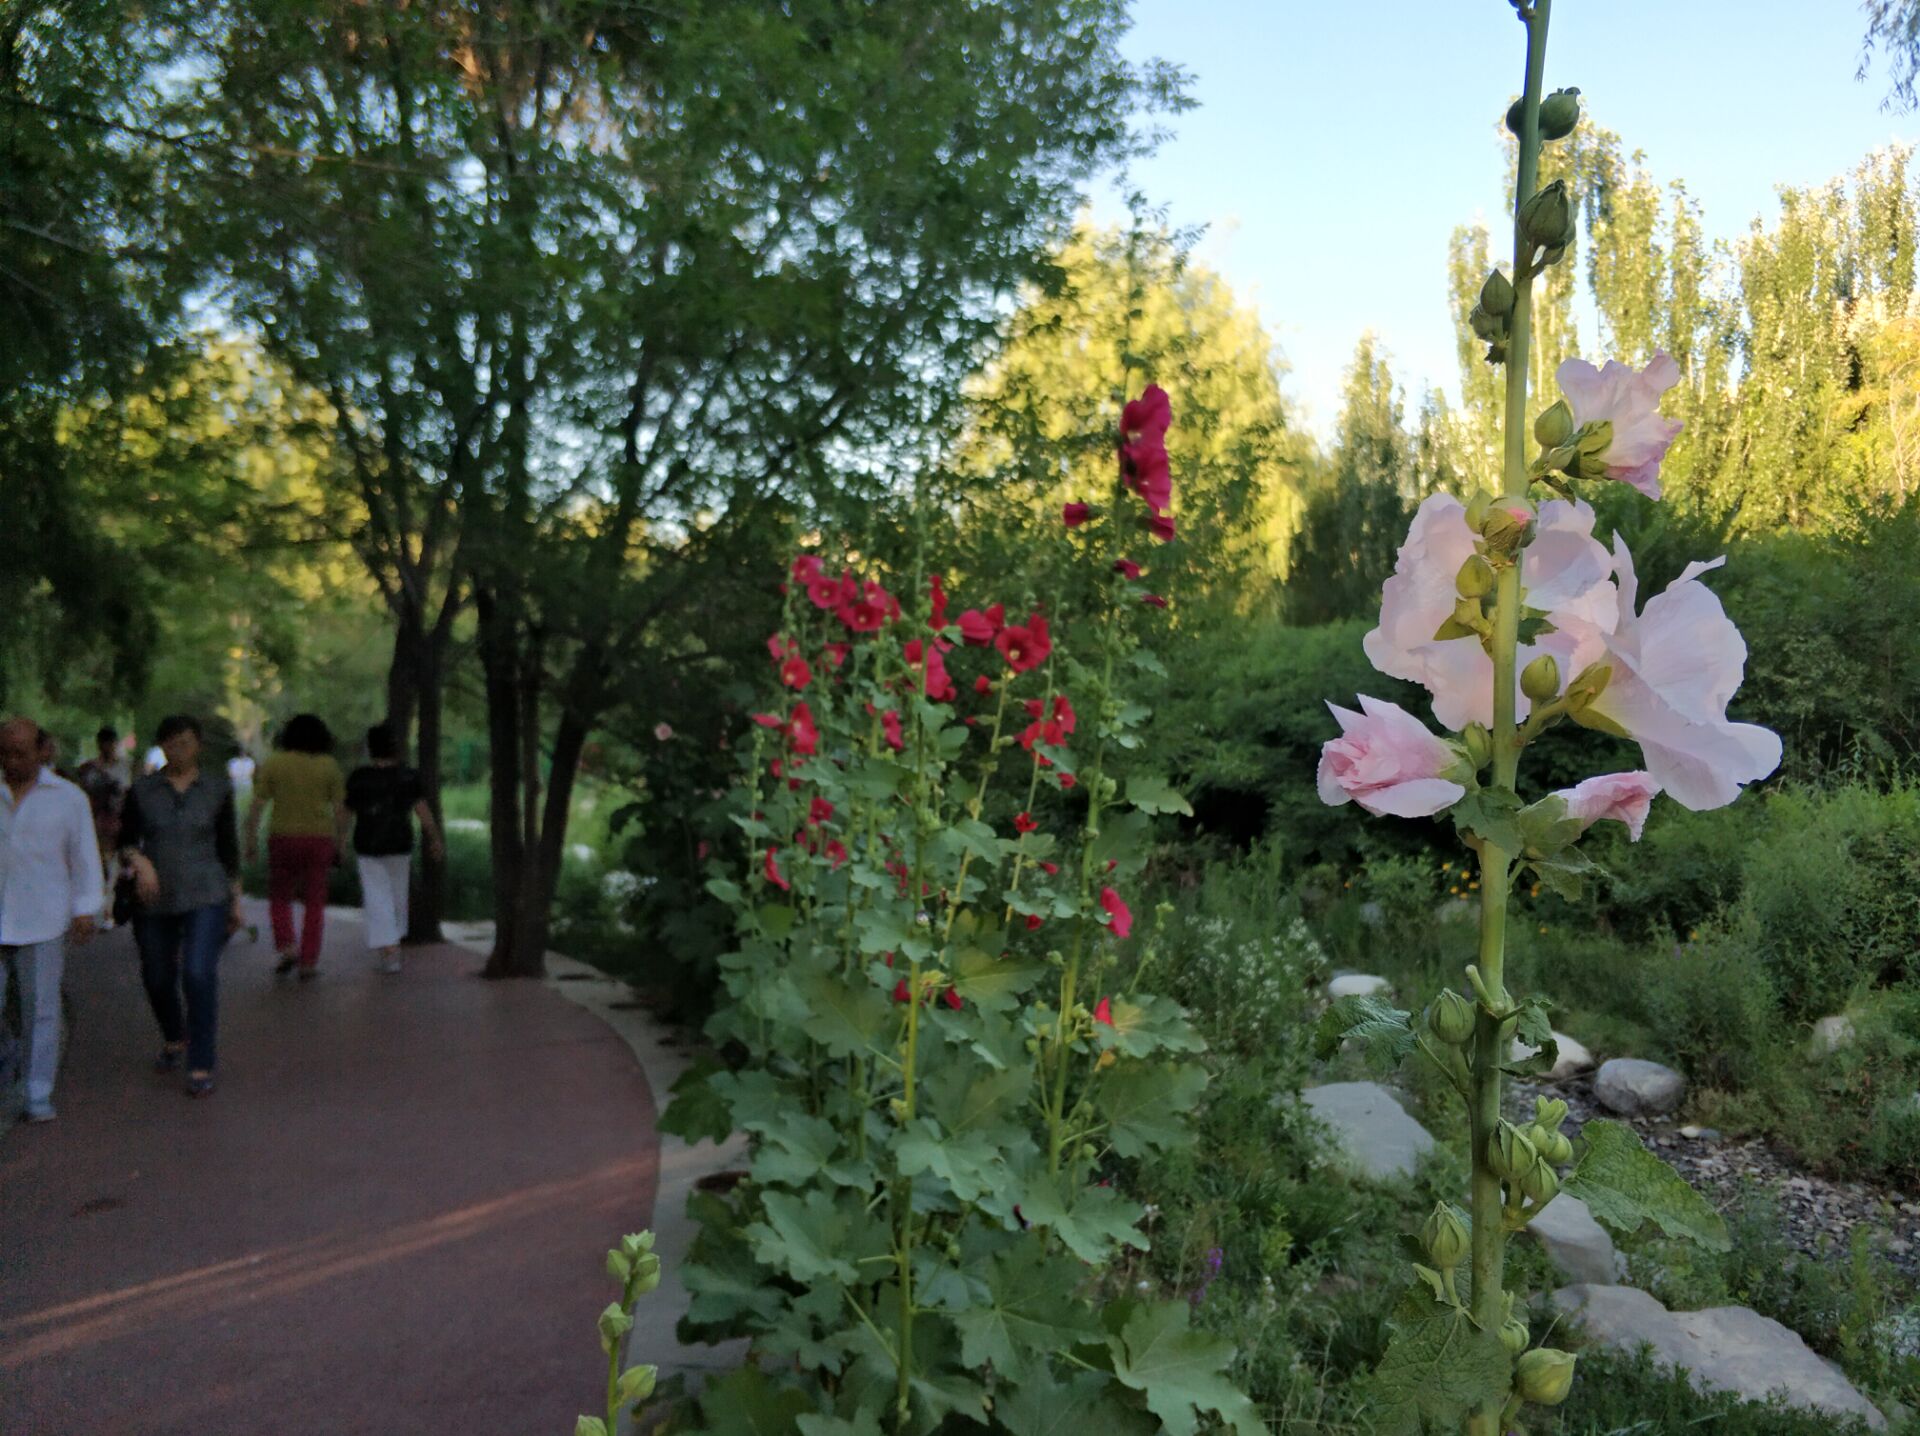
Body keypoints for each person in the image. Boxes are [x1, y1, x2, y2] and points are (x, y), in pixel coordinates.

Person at [120, 715, 244, 1098]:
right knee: (157, 976)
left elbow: (228, 850)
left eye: (187, 743)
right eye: (172, 744)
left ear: (199, 745)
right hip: (154, 898)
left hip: (206, 893)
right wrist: (139, 863)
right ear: (162, 747)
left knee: (197, 973)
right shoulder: (142, 791)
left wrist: (236, 902)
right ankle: (175, 1036)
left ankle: (201, 1060)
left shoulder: (217, 790)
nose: (180, 751)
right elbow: (125, 842)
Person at [0, 718, 104, 1123]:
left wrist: (86, 907)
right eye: (5, 753)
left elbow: (84, 857)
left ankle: (36, 1093)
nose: (12, 760)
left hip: (44, 917)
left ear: (42, 750)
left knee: (40, 1008)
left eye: (20, 753)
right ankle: (10, 1060)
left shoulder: (68, 798)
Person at [245, 714, 345, 979]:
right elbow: (339, 810)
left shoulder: (275, 764)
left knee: (279, 895)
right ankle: (309, 961)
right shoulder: (329, 766)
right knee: (315, 900)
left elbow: (257, 804)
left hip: (282, 837)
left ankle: (287, 946)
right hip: (319, 839)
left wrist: (250, 839)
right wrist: (342, 843)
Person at [344, 723, 443, 975]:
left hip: (368, 843)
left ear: (371, 749)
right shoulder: (408, 776)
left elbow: (346, 813)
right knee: (397, 893)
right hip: (400, 842)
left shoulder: (359, 778)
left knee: (376, 895)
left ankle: (388, 948)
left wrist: (340, 839)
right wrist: (433, 837)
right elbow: (422, 810)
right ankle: (392, 941)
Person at [76, 726, 132, 870]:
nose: (107, 747)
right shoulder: (89, 769)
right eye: (104, 743)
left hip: (120, 819)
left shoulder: (127, 766)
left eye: (110, 743)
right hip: (96, 819)